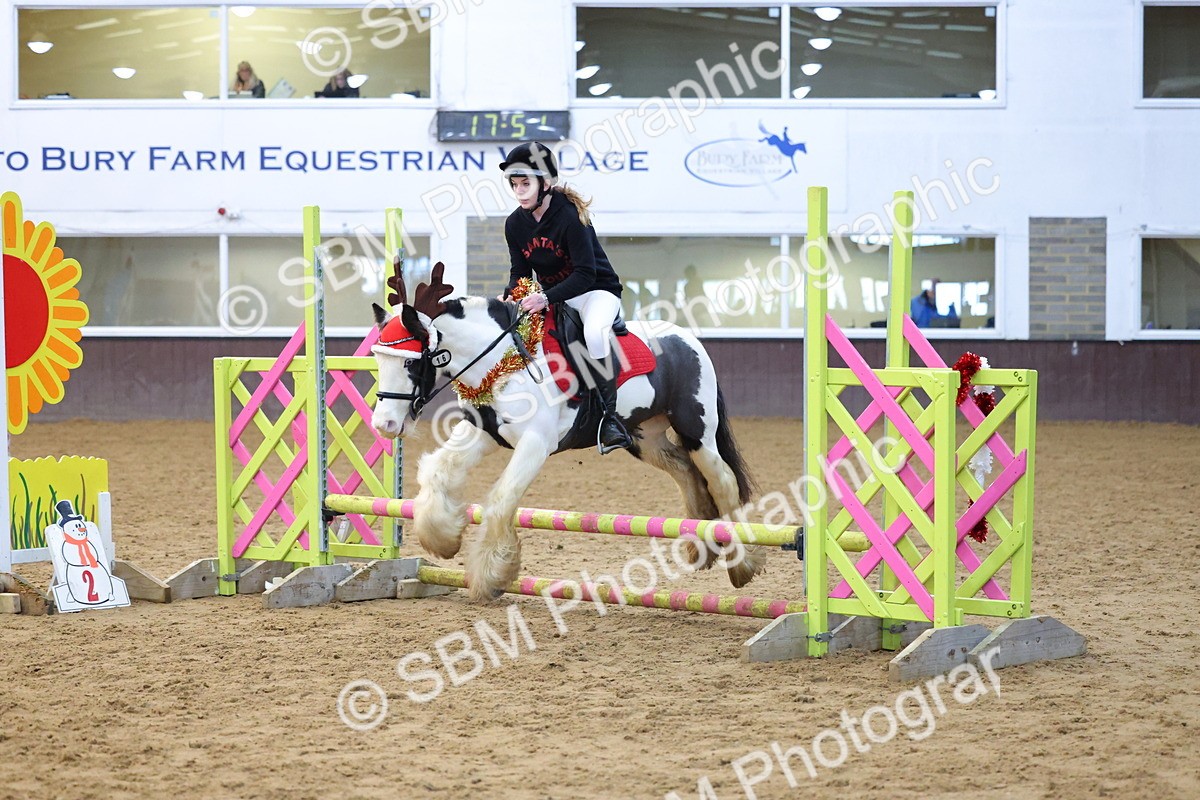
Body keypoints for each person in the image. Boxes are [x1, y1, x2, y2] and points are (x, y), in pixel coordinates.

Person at [499, 141, 632, 454]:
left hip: (597, 291)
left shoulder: (570, 217)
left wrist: (544, 298)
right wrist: (512, 294)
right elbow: (520, 271)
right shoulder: (514, 224)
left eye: (526, 183)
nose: (519, 191)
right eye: (515, 184)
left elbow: (585, 274)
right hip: (557, 297)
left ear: (546, 183)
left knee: (594, 333)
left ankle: (609, 419)